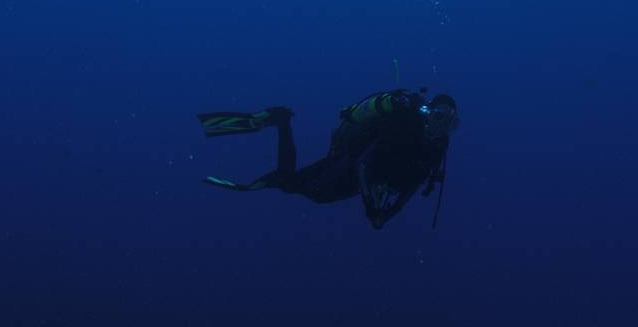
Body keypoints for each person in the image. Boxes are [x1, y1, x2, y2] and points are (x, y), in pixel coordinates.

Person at [196, 89, 459, 229]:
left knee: (301, 188)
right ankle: (281, 122)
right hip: (349, 163)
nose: (442, 126)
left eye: (450, 122)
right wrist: (371, 207)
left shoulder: (436, 150)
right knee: (293, 185)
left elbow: (413, 186)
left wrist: (385, 215)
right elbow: (364, 163)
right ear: (428, 113)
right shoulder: (403, 128)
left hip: (364, 182)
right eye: (439, 117)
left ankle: (281, 123)